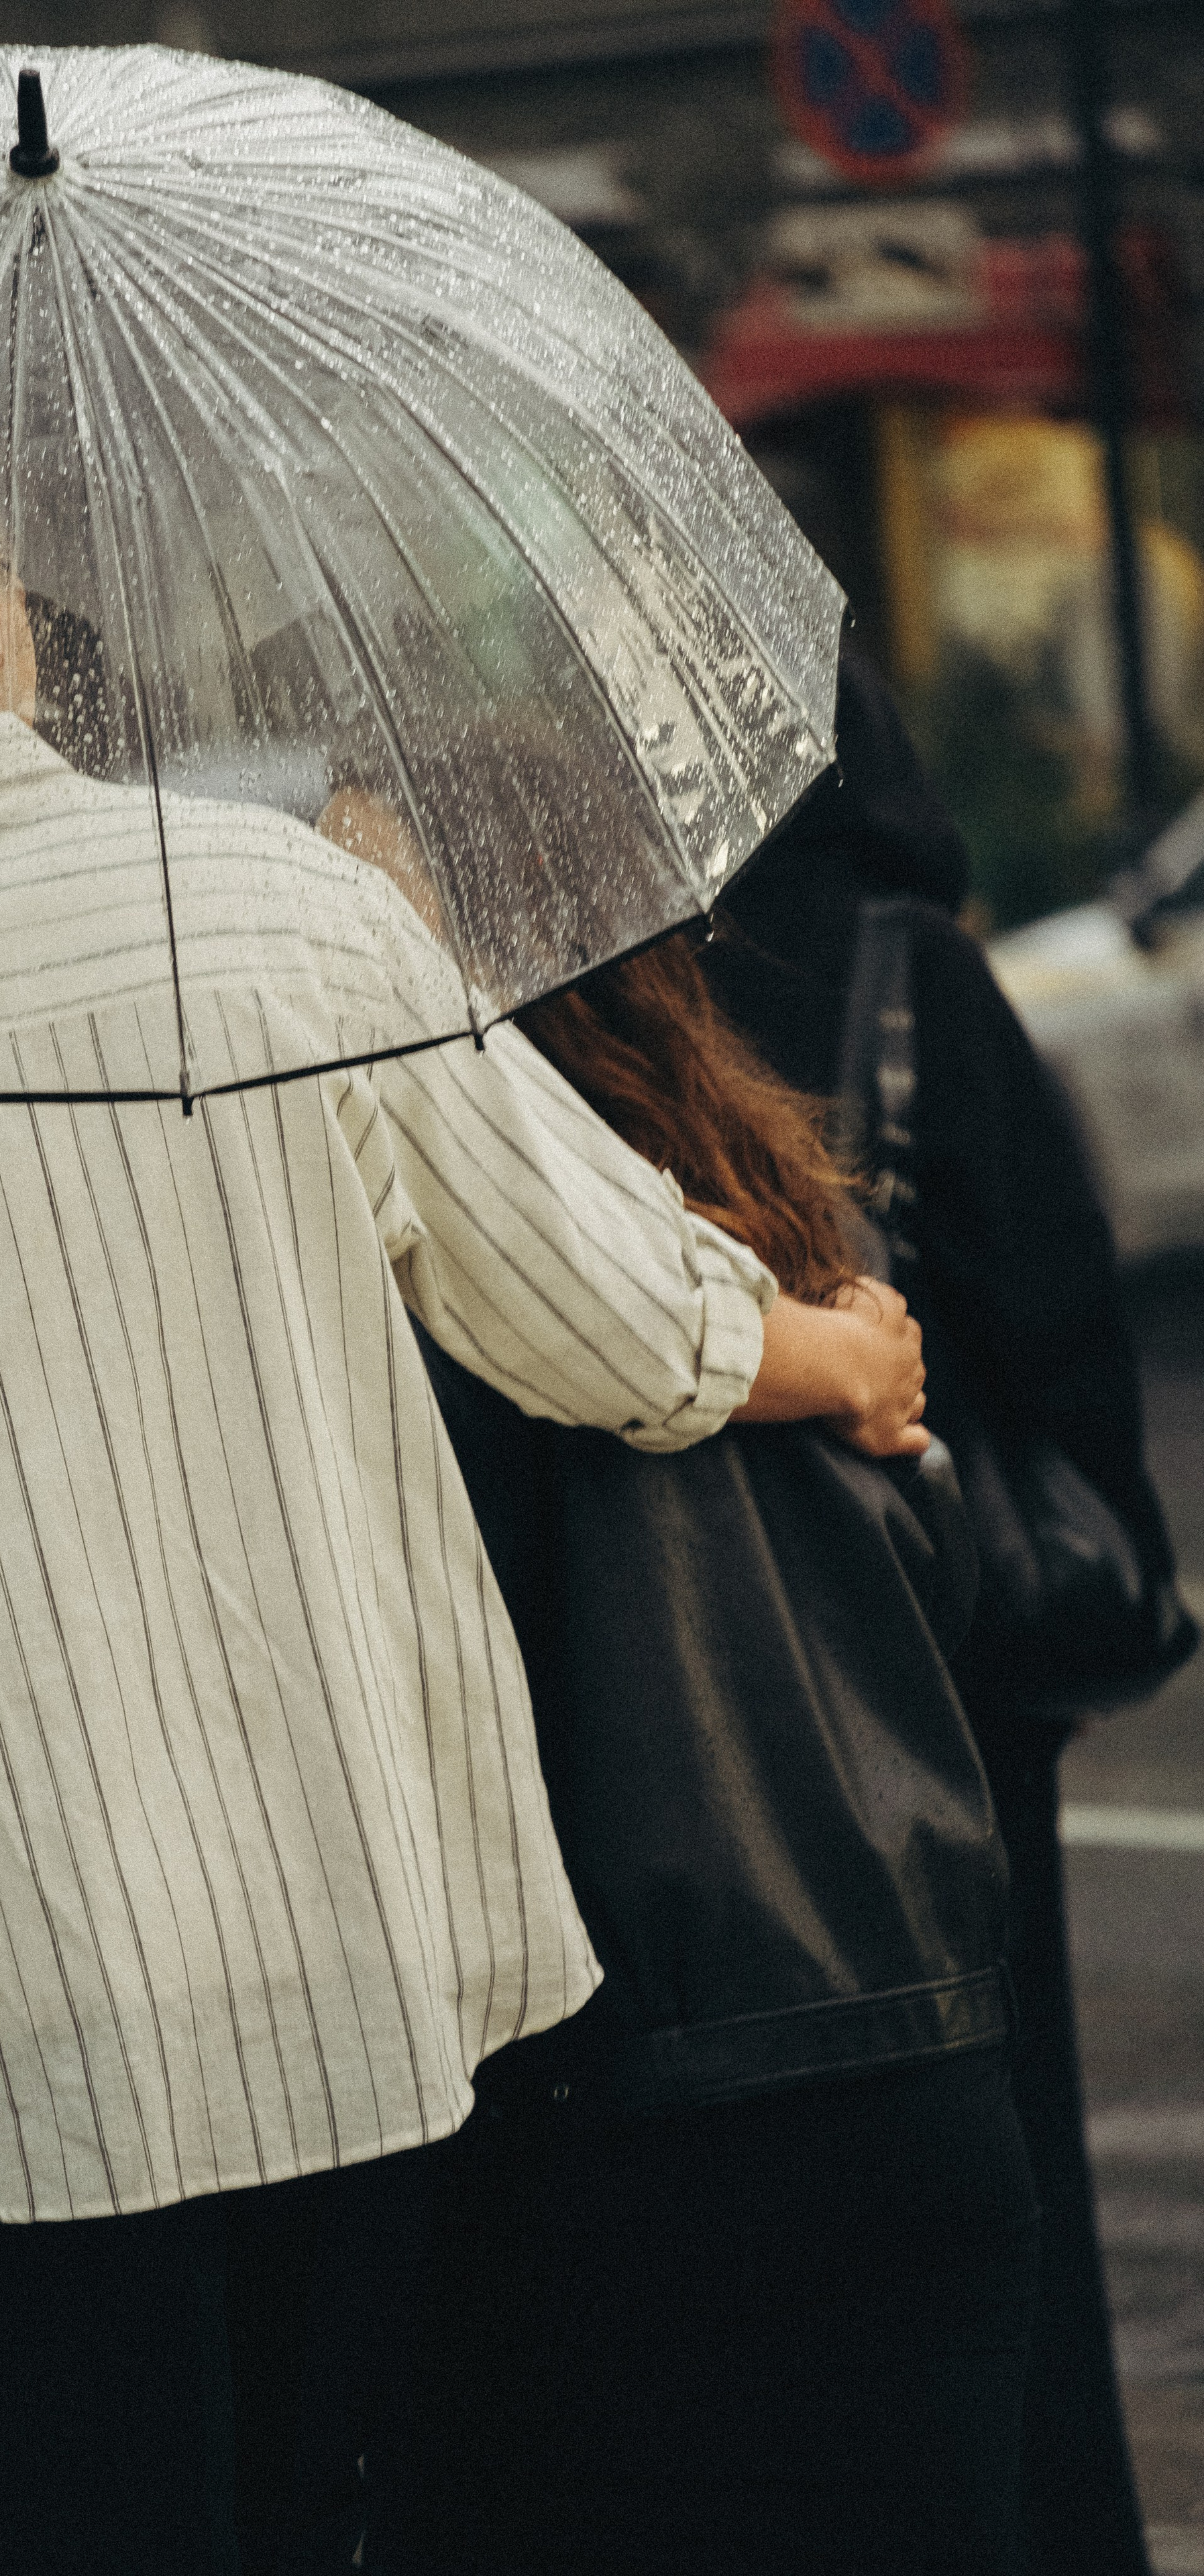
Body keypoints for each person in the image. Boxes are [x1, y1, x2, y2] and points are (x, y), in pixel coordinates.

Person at [0, 529, 918, 2573]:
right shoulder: (289, 917)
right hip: (341, 1910)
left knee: (81, 2514)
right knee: (313, 2503)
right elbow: (597, 1320)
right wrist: (833, 1356)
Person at [368, 925, 1038, 2576]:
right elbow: (946, 1588)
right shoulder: (807, 1249)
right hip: (918, 2069)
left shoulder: (422, 1306)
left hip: (618, 2105)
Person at [700, 643, 1196, 2576]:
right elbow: (1058, 1323)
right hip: (957, 1640)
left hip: (730, 1652)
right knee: (1012, 2131)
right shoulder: (922, 972)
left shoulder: (641, 980)